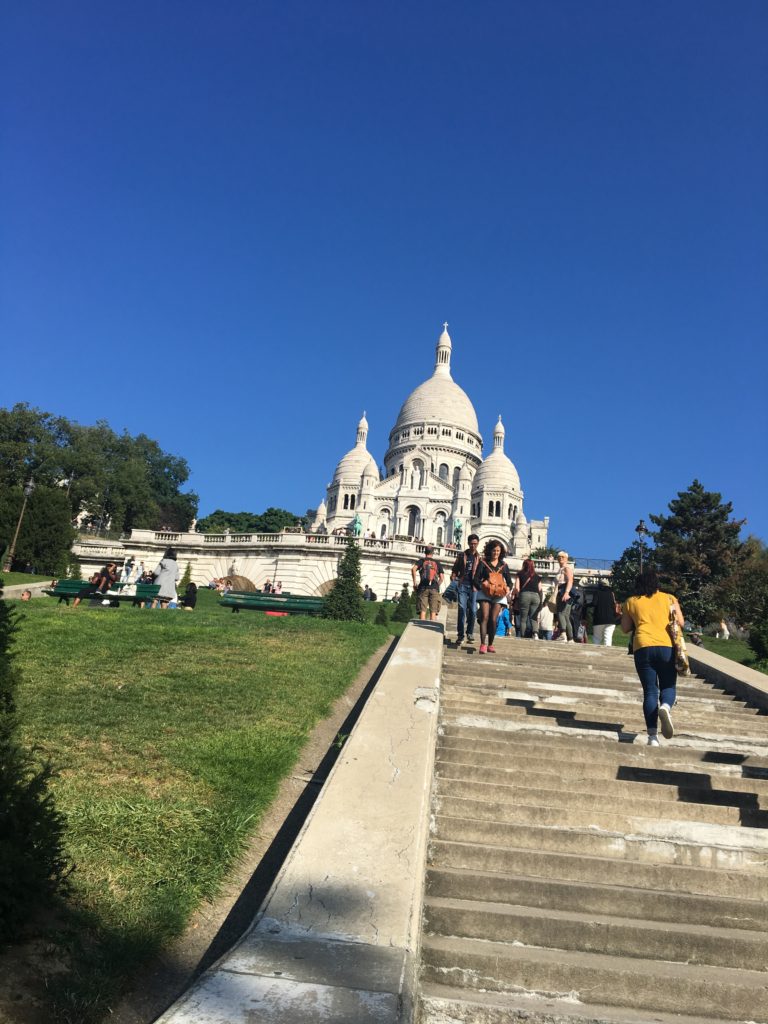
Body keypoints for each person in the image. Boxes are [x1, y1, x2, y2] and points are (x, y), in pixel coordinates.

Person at [621, 569, 684, 747]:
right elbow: (680, 622)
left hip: (642, 646)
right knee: (668, 685)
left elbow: (625, 628)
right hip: (666, 646)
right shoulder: (669, 598)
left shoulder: (631, 601)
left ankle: (652, 737)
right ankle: (665, 706)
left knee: (649, 691)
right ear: (657, 583)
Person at [475, 540, 513, 654]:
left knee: (493, 619)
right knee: (485, 617)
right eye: (494, 550)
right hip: (485, 593)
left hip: (499, 594)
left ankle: (490, 644)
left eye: (498, 551)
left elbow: (510, 582)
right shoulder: (483, 563)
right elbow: (475, 579)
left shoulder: (504, 566)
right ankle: (482, 644)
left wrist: (508, 589)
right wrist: (482, 584)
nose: (496, 553)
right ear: (490, 551)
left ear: (501, 552)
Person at [450, 533, 481, 644]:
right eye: (471, 543)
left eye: (475, 544)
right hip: (462, 585)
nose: (473, 546)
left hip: (474, 587)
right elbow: (455, 570)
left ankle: (470, 632)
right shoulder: (461, 556)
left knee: (473, 610)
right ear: (468, 543)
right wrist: (453, 581)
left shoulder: (480, 558)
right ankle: (460, 635)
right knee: (462, 609)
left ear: (478, 544)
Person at [411, 545, 444, 621]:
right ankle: (431, 630)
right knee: (433, 612)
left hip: (423, 588)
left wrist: (414, 583)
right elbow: (442, 578)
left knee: (422, 611)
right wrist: (436, 586)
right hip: (434, 589)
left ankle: (421, 630)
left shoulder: (421, 561)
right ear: (433, 553)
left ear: (424, 552)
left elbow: (413, 569)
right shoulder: (437, 563)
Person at [514, 558, 543, 639]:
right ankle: (535, 634)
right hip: (536, 596)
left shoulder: (519, 574)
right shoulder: (537, 576)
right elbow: (540, 589)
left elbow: (517, 588)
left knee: (523, 618)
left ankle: (523, 635)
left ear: (524, 565)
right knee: (534, 617)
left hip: (524, 595)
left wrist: (516, 596)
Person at [592, 579, 620, 646]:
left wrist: (586, 605)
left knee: (597, 639)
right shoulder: (612, 593)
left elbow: (594, 603)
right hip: (611, 619)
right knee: (608, 638)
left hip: (599, 618)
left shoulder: (597, 592)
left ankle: (595, 655)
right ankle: (608, 655)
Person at [555, 551, 575, 642]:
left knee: (561, 613)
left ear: (566, 559)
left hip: (564, 591)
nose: (560, 558)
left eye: (563, 557)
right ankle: (570, 638)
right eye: (559, 557)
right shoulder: (561, 569)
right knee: (566, 616)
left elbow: (570, 581)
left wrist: (566, 592)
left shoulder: (567, 568)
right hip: (561, 591)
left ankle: (563, 634)